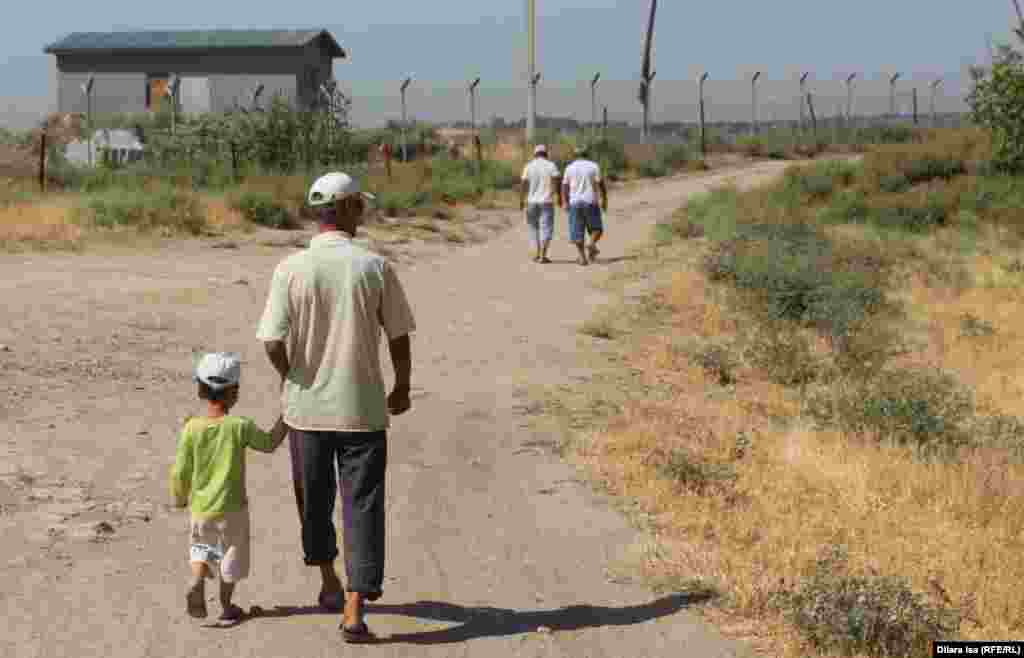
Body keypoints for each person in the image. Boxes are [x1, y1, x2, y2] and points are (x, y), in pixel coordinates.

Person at [257, 171, 416, 644]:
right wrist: (402, 386)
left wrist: (292, 379)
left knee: (314, 501)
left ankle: (328, 578)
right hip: (361, 410)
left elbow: (270, 341)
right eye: (359, 205)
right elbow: (398, 335)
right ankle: (354, 603)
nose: (362, 212)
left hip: (305, 411)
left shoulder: (291, 268)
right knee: (363, 504)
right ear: (347, 209)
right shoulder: (374, 267)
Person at [170, 352, 288, 623]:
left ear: (200, 389)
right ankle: (226, 606)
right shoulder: (239, 427)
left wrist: (179, 497)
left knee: (201, 549)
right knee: (231, 557)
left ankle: (198, 580)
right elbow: (270, 443)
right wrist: (288, 418)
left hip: (201, 509)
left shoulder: (191, 429)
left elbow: (180, 470)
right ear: (234, 393)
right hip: (233, 509)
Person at [560, 145, 609, 266]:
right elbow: (600, 184)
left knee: (577, 232)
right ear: (587, 154)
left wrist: (565, 202)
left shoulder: (569, 168)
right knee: (597, 229)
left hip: (574, 203)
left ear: (575, 155)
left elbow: (564, 186)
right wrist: (604, 199)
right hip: (590, 201)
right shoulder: (593, 166)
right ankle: (591, 243)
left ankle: (582, 258)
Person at [520, 144, 561, 263]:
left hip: (531, 202)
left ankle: (536, 254)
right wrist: (558, 196)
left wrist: (521, 200)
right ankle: (543, 256)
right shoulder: (551, 165)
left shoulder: (529, 166)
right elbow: (557, 180)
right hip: (546, 201)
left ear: (535, 154)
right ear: (546, 154)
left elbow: (523, 184)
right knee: (546, 228)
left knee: (533, 228)